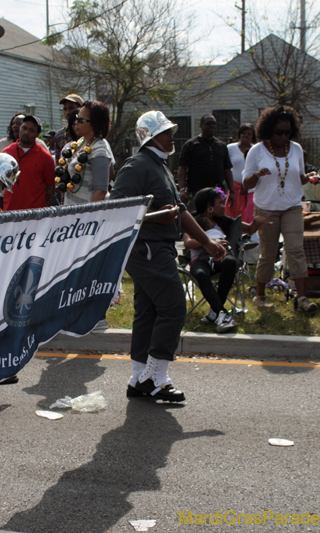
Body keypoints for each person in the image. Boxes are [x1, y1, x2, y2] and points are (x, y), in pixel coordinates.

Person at [111, 110, 227, 403]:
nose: (172, 135)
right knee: (174, 305)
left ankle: (139, 378)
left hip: (157, 247)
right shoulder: (138, 165)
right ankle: (156, 377)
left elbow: (181, 211)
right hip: (146, 248)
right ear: (149, 136)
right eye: (166, 131)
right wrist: (158, 218)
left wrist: (207, 243)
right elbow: (119, 211)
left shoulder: (159, 165)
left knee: (149, 312)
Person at [242, 105, 317, 312]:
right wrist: (257, 175)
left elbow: (299, 177)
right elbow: (246, 184)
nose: (284, 136)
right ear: (268, 130)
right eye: (279, 132)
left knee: (295, 250)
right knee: (269, 253)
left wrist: (310, 178)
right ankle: (260, 294)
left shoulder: (296, 149)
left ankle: (302, 298)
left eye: (288, 132)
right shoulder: (256, 151)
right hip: (266, 209)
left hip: (292, 206)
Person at [184, 187, 270, 333]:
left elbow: (249, 228)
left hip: (221, 257)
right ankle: (221, 312)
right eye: (220, 203)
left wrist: (257, 221)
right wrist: (211, 241)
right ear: (209, 206)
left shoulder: (225, 221)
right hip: (200, 260)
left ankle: (216, 312)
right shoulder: (193, 221)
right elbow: (188, 243)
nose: (224, 207)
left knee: (230, 262)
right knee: (200, 273)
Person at [60, 100, 112, 205]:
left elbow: (101, 191)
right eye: (76, 118)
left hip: (85, 216)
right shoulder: (80, 143)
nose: (75, 122)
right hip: (72, 210)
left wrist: (88, 217)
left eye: (80, 120)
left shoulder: (100, 151)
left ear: (94, 123)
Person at [177, 115, 234, 206]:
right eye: (208, 124)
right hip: (196, 193)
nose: (211, 126)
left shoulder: (221, 146)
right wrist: (182, 189)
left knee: (216, 219)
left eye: (213, 124)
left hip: (217, 193)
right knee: (197, 219)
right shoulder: (191, 145)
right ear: (201, 125)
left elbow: (227, 170)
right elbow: (182, 168)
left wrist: (232, 191)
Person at [2, 115, 56, 211]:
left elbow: (50, 189)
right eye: (24, 128)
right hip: (10, 213)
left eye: (31, 130)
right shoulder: (6, 153)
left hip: (36, 215)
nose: (26, 132)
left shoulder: (46, 157)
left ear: (37, 134)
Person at [225, 123, 257, 222]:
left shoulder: (256, 149)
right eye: (243, 133)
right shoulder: (230, 148)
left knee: (249, 216)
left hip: (251, 190)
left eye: (249, 134)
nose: (246, 135)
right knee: (233, 215)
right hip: (235, 189)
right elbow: (226, 167)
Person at [53, 94, 84, 160]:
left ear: (82, 109)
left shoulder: (89, 131)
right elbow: (58, 164)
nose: (67, 112)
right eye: (65, 109)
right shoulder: (59, 135)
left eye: (71, 108)